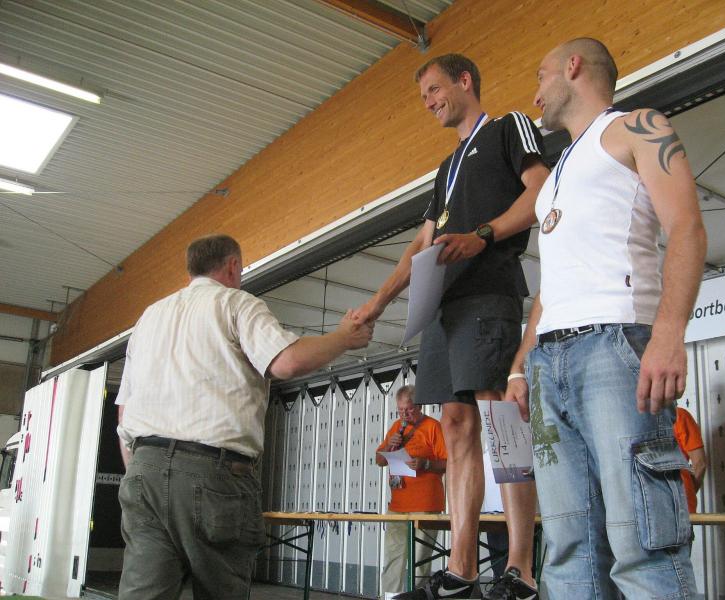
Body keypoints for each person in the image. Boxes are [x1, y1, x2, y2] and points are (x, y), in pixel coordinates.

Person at [505, 38, 707, 598]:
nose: (535, 92)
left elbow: (687, 227)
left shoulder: (637, 126)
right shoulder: (555, 174)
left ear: (573, 66)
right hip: (549, 361)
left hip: (616, 345)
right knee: (569, 549)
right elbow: (553, 283)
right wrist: (522, 364)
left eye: (540, 74)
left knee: (643, 542)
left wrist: (668, 334)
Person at [355, 53, 550, 600]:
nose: (429, 102)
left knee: (500, 419)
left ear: (465, 81)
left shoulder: (510, 127)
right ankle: (462, 572)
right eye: (424, 97)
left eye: (435, 90)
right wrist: (376, 304)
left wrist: (483, 235)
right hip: (444, 307)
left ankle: (519, 569)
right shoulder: (445, 168)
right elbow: (421, 244)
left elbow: (541, 193)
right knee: (458, 425)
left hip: (488, 292)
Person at [115, 234, 373, 600]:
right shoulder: (236, 303)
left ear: (191, 269)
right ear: (233, 265)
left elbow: (124, 410)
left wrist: (142, 470)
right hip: (212, 473)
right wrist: (344, 337)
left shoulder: (150, 317)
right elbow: (286, 362)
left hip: (143, 471)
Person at [375, 385, 447, 598]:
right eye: (400, 410)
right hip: (398, 506)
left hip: (426, 505)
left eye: (409, 410)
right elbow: (379, 460)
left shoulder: (433, 427)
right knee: (393, 557)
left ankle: (417, 596)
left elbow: (449, 462)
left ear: (419, 405)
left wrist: (426, 464)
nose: (404, 415)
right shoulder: (396, 428)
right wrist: (388, 446)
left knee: (421, 560)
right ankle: (390, 597)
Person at [674, 407, 707, 514]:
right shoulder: (679, 415)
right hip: (680, 495)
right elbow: (700, 464)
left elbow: (700, 464)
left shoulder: (679, 415)